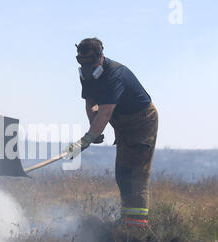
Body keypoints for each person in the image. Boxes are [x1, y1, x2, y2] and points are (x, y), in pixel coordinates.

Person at [64, 37, 159, 228]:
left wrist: (86, 140)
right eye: (80, 61)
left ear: (101, 56)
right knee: (122, 173)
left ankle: (137, 228)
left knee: (135, 175)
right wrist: (94, 130)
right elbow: (91, 103)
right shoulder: (86, 75)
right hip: (122, 122)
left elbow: (106, 111)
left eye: (89, 61)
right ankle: (128, 221)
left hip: (141, 122)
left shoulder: (115, 74)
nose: (86, 66)